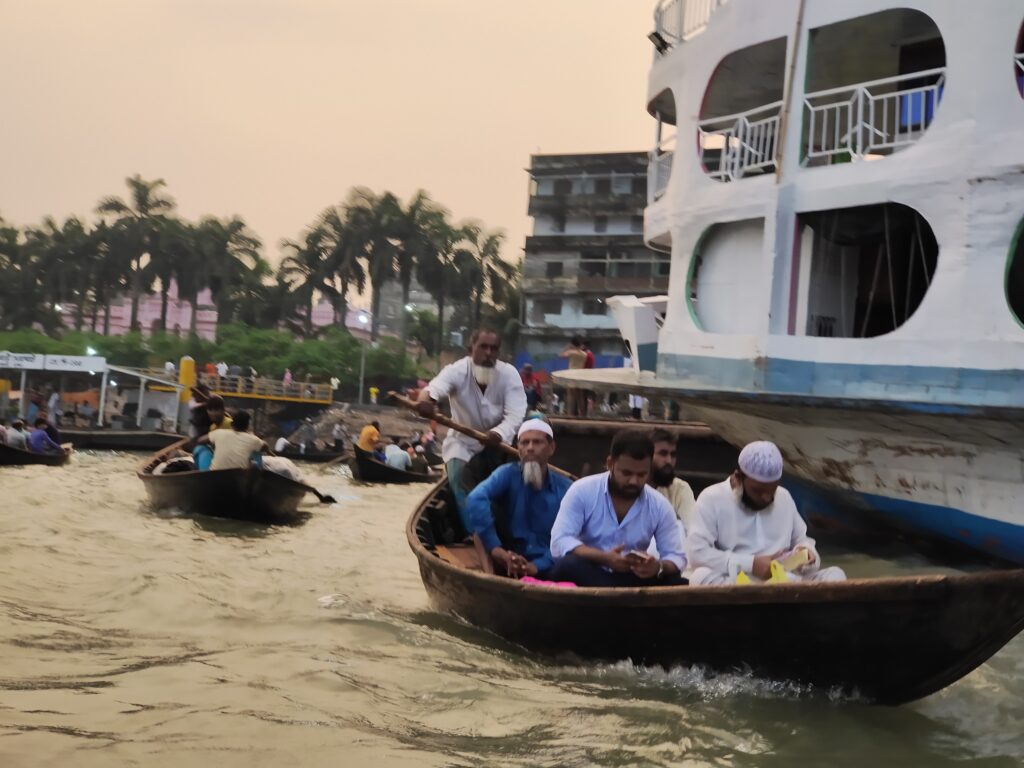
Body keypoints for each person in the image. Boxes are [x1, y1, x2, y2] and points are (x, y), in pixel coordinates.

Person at [687, 441, 847, 585]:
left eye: (772, 490)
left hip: (784, 581)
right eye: (758, 491)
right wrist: (751, 564)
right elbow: (697, 554)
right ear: (737, 477)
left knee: (835, 574)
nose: (767, 497)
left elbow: (802, 540)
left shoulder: (783, 496)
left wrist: (806, 553)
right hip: (736, 582)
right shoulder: (712, 498)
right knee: (700, 577)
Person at [416, 328, 527, 528]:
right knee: (458, 478)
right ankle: (475, 533)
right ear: (471, 349)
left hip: (499, 445)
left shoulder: (509, 374)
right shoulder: (457, 370)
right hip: (463, 443)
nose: (488, 353)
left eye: (494, 349)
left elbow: (515, 415)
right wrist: (426, 400)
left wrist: (497, 434)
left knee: (507, 487)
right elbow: (434, 389)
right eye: (483, 347)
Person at [548, 430, 686, 587]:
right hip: (589, 573)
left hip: (633, 578)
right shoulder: (582, 490)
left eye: (642, 474)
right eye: (626, 473)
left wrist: (657, 567)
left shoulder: (659, 505)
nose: (634, 481)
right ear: (610, 464)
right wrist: (604, 558)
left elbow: (677, 556)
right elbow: (560, 540)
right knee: (566, 566)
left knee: (676, 581)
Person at [465, 419, 573, 579]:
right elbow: (475, 498)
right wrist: (496, 549)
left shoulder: (566, 488)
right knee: (480, 529)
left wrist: (536, 566)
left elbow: (570, 538)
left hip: (547, 563)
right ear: (518, 448)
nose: (530, 448)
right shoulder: (507, 473)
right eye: (524, 443)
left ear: (551, 448)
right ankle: (491, 578)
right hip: (507, 556)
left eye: (537, 442)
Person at [649, 429, 696, 529]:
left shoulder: (680, 488)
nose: (669, 461)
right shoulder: (632, 486)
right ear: (647, 455)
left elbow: (694, 529)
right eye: (663, 454)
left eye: (673, 455)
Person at [197, 410, 267, 471]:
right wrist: (254, 437)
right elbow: (265, 447)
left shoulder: (219, 432)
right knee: (257, 451)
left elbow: (200, 440)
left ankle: (202, 474)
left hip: (214, 475)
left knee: (201, 448)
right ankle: (257, 481)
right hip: (238, 478)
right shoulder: (253, 439)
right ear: (247, 426)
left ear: (232, 424)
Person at [192, 395, 232, 470]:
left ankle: (207, 475)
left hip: (229, 459)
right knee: (199, 449)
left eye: (216, 410)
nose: (213, 413)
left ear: (223, 410)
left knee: (201, 448)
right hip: (218, 457)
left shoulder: (229, 423)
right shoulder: (212, 427)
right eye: (210, 410)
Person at [559, 337, 588, 417]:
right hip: (580, 375)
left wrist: (567, 347)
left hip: (571, 375)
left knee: (571, 396)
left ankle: (570, 414)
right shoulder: (584, 354)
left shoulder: (572, 352)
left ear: (572, 344)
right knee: (580, 396)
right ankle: (582, 414)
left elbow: (561, 355)